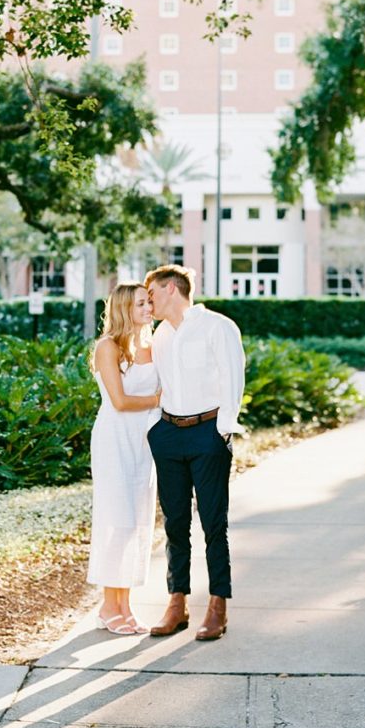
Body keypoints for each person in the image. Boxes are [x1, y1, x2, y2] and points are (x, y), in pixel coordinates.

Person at [144, 264, 244, 641]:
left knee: (213, 524)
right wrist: (157, 428)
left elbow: (234, 378)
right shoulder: (159, 336)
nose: (148, 301)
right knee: (174, 524)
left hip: (208, 432)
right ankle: (177, 602)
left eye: (151, 293)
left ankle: (218, 605)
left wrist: (222, 431)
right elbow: (157, 384)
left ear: (171, 289)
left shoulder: (218, 326)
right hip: (169, 434)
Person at [87, 282, 161, 635]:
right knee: (117, 521)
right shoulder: (108, 347)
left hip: (143, 442)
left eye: (149, 302)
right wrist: (160, 399)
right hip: (115, 439)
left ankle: (126, 606)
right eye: (142, 304)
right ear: (123, 309)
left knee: (137, 523)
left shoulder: (153, 344)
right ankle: (107, 606)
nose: (149, 308)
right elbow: (119, 401)